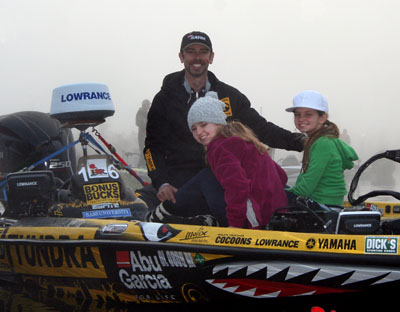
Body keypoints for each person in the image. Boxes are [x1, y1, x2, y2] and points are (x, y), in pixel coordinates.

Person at [138, 31, 304, 210]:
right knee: (140, 202)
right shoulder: (164, 99)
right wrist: (162, 182)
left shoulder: (229, 96)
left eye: (203, 52)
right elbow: (152, 148)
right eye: (191, 51)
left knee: (290, 201)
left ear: (211, 57)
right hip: (180, 182)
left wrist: (303, 142)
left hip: (225, 177)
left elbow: (261, 129)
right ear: (181, 56)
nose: (197, 57)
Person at [147, 92, 288, 229]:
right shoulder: (246, 142)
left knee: (206, 177)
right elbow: (282, 176)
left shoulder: (221, 147)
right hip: (274, 216)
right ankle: (192, 216)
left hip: (252, 222)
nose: (199, 132)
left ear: (218, 122)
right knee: (213, 177)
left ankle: (162, 214)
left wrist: (235, 226)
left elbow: (238, 187)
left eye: (203, 125)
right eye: (194, 129)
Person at [285, 90, 358, 206]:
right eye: (297, 114)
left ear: (322, 118)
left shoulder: (323, 144)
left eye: (308, 114)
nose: (300, 119)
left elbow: (306, 188)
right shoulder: (321, 140)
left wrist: (277, 193)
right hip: (329, 204)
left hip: (322, 207)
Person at [135, 99, 151, 168]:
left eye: (149, 105)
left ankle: (145, 165)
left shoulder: (147, 113)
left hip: (146, 134)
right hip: (142, 134)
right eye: (148, 105)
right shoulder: (141, 112)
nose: (149, 106)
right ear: (144, 105)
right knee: (143, 150)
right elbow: (138, 123)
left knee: (148, 149)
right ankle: (141, 165)